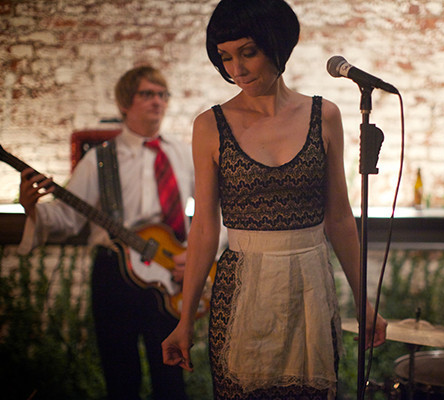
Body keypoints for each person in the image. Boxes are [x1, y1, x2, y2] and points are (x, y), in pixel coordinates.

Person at [161, 0, 388, 399]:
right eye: (225, 57)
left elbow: (339, 219)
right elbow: (205, 228)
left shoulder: (324, 115)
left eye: (248, 52)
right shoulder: (210, 125)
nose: (237, 69)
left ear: (276, 45)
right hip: (242, 290)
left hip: (310, 287)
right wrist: (185, 319)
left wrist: (364, 302)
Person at [18, 66, 193, 400]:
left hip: (171, 273)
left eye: (162, 94)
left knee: (171, 379)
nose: (157, 101)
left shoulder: (183, 153)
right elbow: (68, 217)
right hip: (114, 275)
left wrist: (196, 254)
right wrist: (32, 208)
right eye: (147, 94)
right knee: (120, 377)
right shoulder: (100, 159)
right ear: (125, 103)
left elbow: (214, 209)